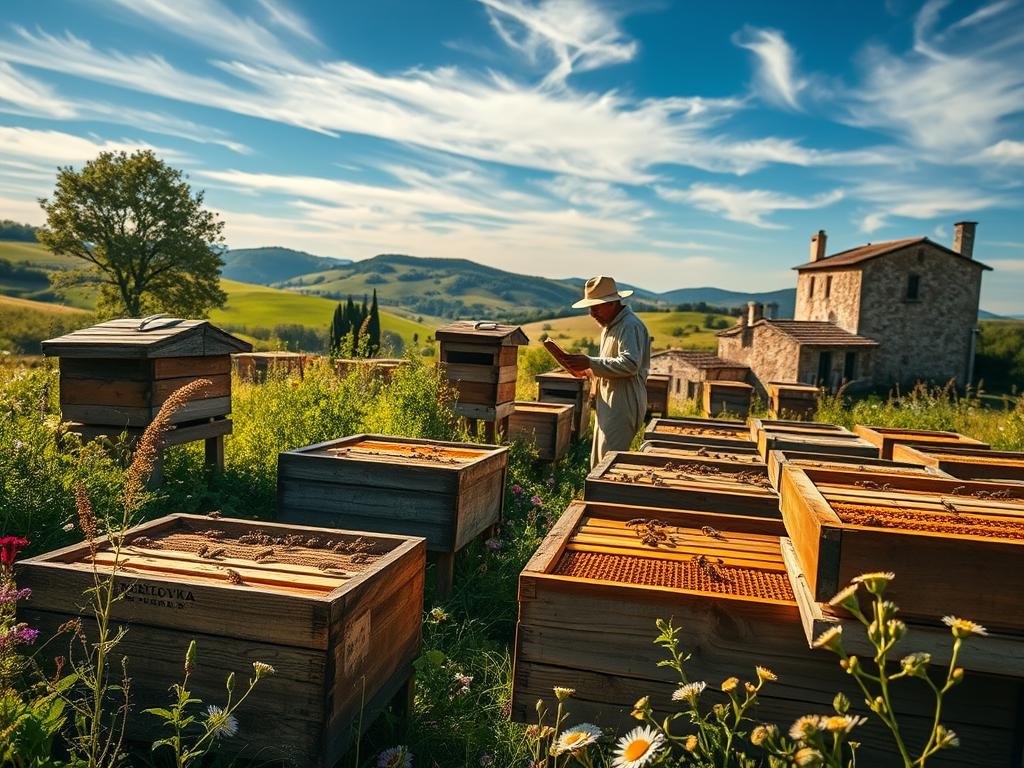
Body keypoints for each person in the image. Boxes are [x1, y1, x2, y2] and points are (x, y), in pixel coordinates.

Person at [559, 275, 651, 467]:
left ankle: (610, 497)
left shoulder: (629, 325)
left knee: (610, 464)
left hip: (623, 401)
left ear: (612, 304)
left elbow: (630, 364)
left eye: (596, 307)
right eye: (590, 308)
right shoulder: (610, 327)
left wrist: (590, 362)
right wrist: (587, 370)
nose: (592, 313)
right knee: (600, 460)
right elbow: (611, 365)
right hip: (609, 401)